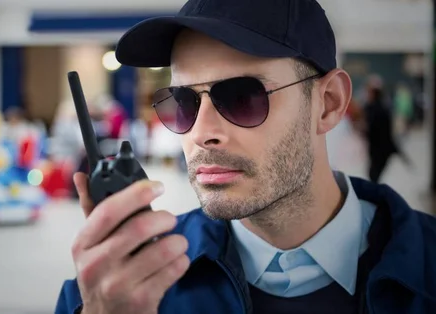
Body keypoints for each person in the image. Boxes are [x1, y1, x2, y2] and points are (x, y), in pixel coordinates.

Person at [55, 0, 436, 313]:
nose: (202, 133)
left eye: (242, 98)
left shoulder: (426, 268)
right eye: (183, 102)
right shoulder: (111, 291)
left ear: (328, 104)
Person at [363, 87, 411, 183]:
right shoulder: (379, 108)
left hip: (380, 148)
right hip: (379, 148)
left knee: (374, 175)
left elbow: (378, 130)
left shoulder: (377, 110)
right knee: (373, 175)